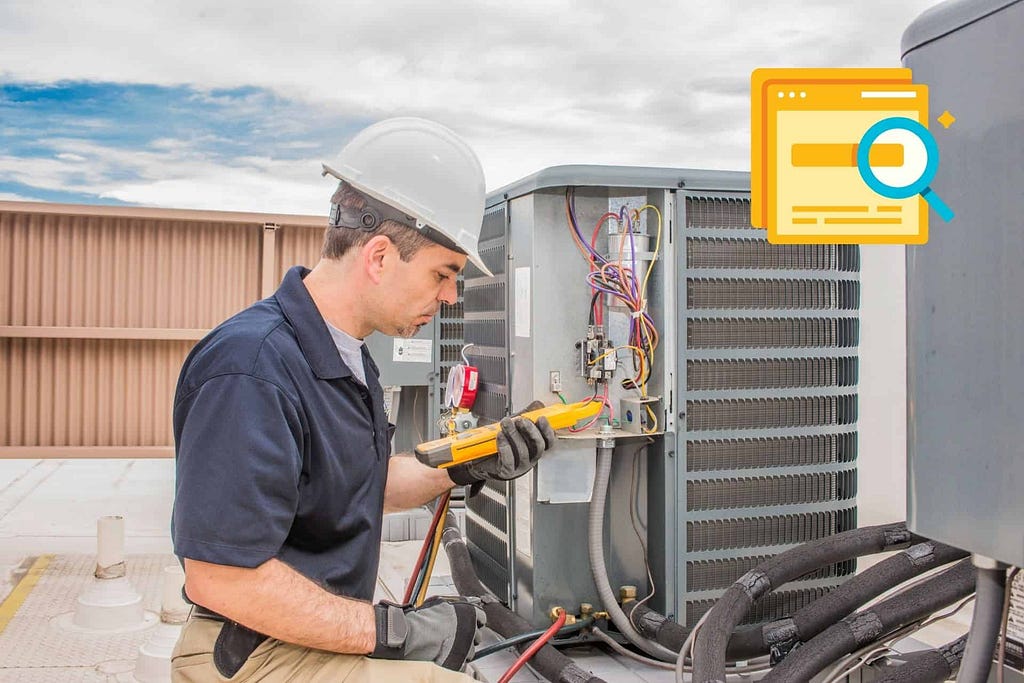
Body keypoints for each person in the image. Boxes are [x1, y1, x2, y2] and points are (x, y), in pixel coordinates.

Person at [170, 118, 556, 682]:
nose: (450, 297)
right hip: (251, 652)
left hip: (301, 636)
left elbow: (361, 488)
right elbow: (221, 576)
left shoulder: (345, 357)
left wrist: (471, 459)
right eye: (444, 274)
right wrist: (391, 631)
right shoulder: (251, 370)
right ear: (378, 257)